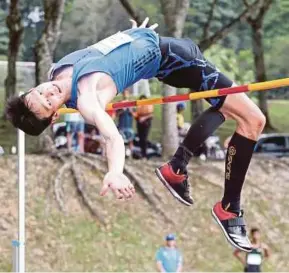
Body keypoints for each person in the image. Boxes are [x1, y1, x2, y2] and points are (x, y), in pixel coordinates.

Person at [5, 17, 265, 251]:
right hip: (179, 61)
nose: (48, 93)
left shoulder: (57, 69)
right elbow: (112, 137)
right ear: (54, 117)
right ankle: (228, 209)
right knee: (254, 120)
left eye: (40, 92)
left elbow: (101, 50)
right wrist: (115, 171)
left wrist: (133, 34)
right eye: (48, 102)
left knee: (232, 109)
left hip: (169, 51)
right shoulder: (87, 99)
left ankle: (177, 168)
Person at [116, 89, 135, 157]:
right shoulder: (119, 103)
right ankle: (120, 154)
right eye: (124, 93)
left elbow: (135, 114)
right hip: (122, 125)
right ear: (122, 94)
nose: (125, 95)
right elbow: (116, 114)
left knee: (130, 140)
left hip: (129, 125)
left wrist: (130, 109)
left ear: (129, 94)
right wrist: (122, 110)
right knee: (121, 140)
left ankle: (131, 155)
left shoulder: (132, 103)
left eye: (127, 93)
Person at [135, 94, 154, 159]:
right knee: (140, 139)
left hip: (146, 123)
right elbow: (136, 115)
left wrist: (144, 118)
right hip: (139, 123)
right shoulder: (138, 106)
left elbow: (151, 115)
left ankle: (145, 155)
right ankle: (142, 153)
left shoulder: (149, 105)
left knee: (144, 138)